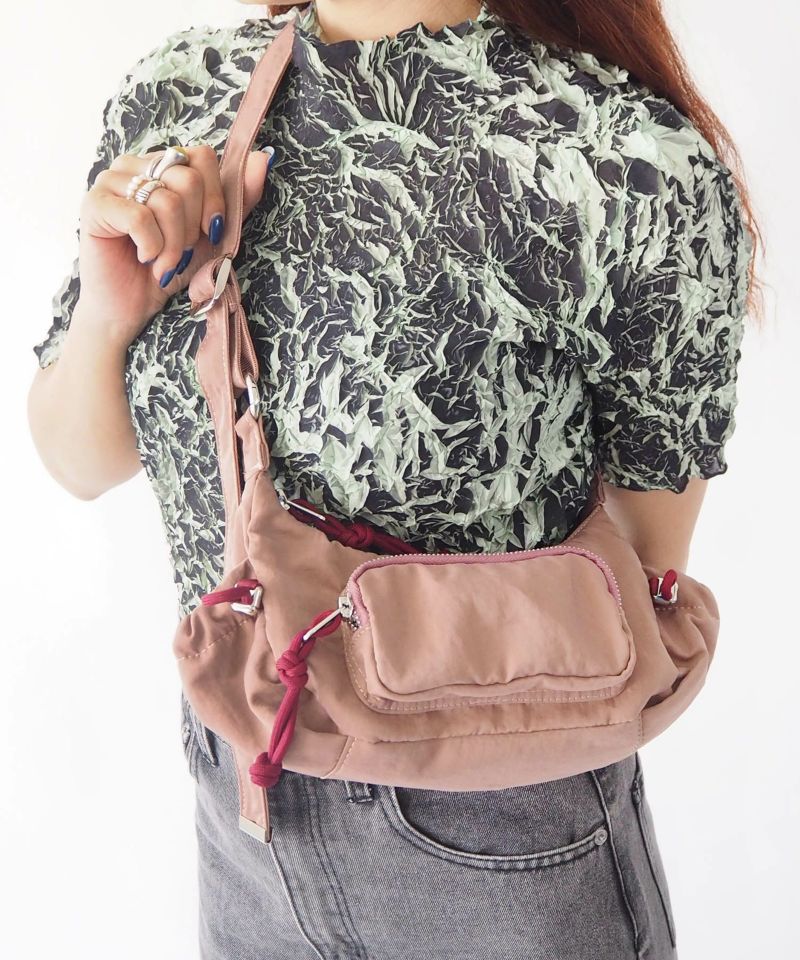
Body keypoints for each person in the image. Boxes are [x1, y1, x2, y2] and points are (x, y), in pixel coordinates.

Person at [27, 1, 760, 957]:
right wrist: (109, 311)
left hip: (500, 826)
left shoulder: (625, 158)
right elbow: (79, 464)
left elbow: (639, 575)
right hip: (244, 796)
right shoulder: (181, 96)